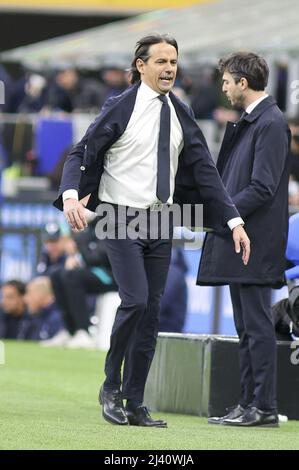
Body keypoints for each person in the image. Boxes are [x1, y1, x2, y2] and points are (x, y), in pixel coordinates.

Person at [53, 34, 250, 428]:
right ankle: (111, 388)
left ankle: (135, 400)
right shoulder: (120, 106)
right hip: (118, 215)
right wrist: (72, 195)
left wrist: (233, 220)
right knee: (136, 300)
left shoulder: (181, 112)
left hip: (161, 219)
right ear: (140, 66)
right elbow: (81, 151)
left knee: (152, 312)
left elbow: (206, 172)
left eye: (173, 61)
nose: (169, 68)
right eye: (161, 61)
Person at [198, 52, 290, 427]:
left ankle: (263, 406)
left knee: (255, 325)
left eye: (226, 81)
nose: (223, 88)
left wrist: (226, 212)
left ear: (242, 82)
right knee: (245, 326)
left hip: (256, 240)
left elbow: (263, 187)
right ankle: (248, 402)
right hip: (243, 237)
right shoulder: (256, 122)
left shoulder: (270, 123)